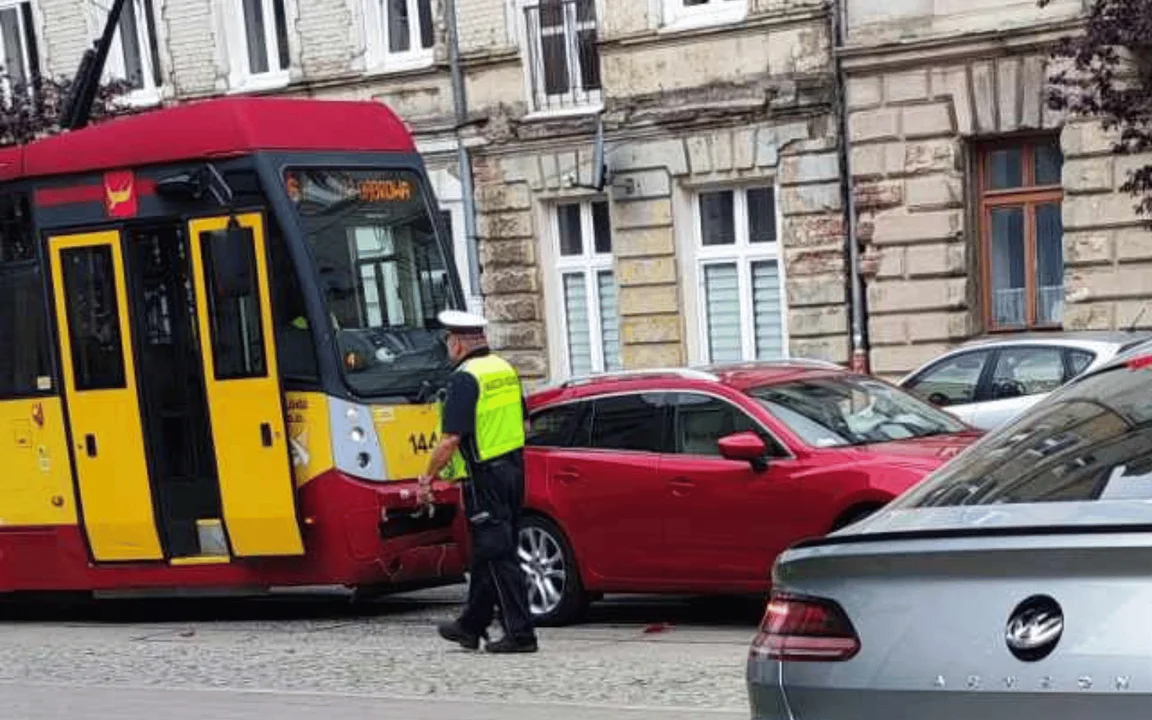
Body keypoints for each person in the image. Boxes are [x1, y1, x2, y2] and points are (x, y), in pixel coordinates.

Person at [417, 309, 538, 654]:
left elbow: (450, 439)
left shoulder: (464, 378)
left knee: (499, 556)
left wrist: (428, 475)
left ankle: (521, 634)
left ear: (456, 343)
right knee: (488, 552)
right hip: (514, 469)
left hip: (484, 477)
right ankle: (471, 626)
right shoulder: (504, 369)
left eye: (448, 342)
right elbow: (525, 425)